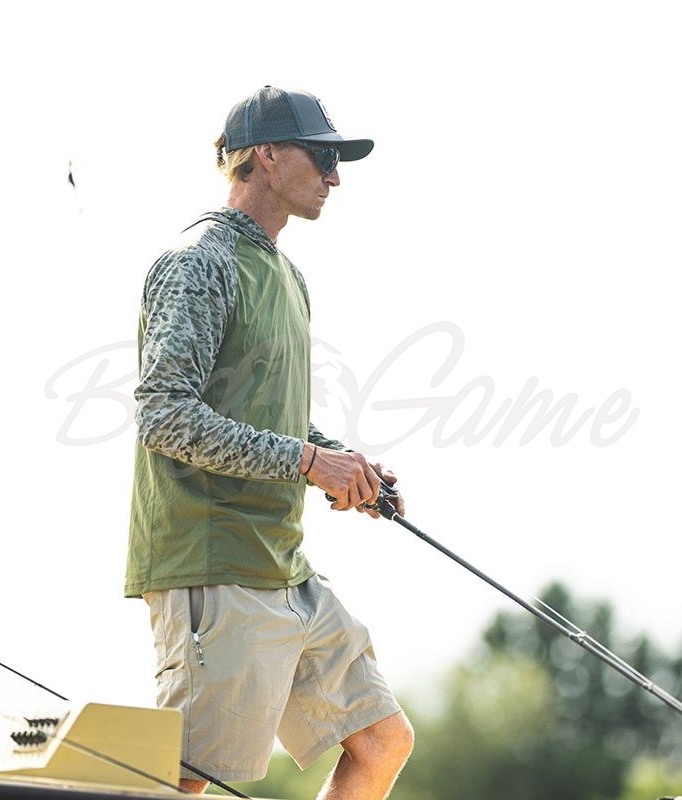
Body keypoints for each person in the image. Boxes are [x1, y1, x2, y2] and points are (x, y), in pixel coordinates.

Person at [125, 85, 414, 799]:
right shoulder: (199, 262)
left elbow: (273, 423)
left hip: (282, 565)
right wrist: (310, 462)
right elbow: (165, 415)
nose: (335, 177)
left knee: (382, 741)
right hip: (213, 566)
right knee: (185, 783)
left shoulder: (288, 276)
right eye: (323, 157)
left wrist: (342, 466)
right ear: (266, 155)